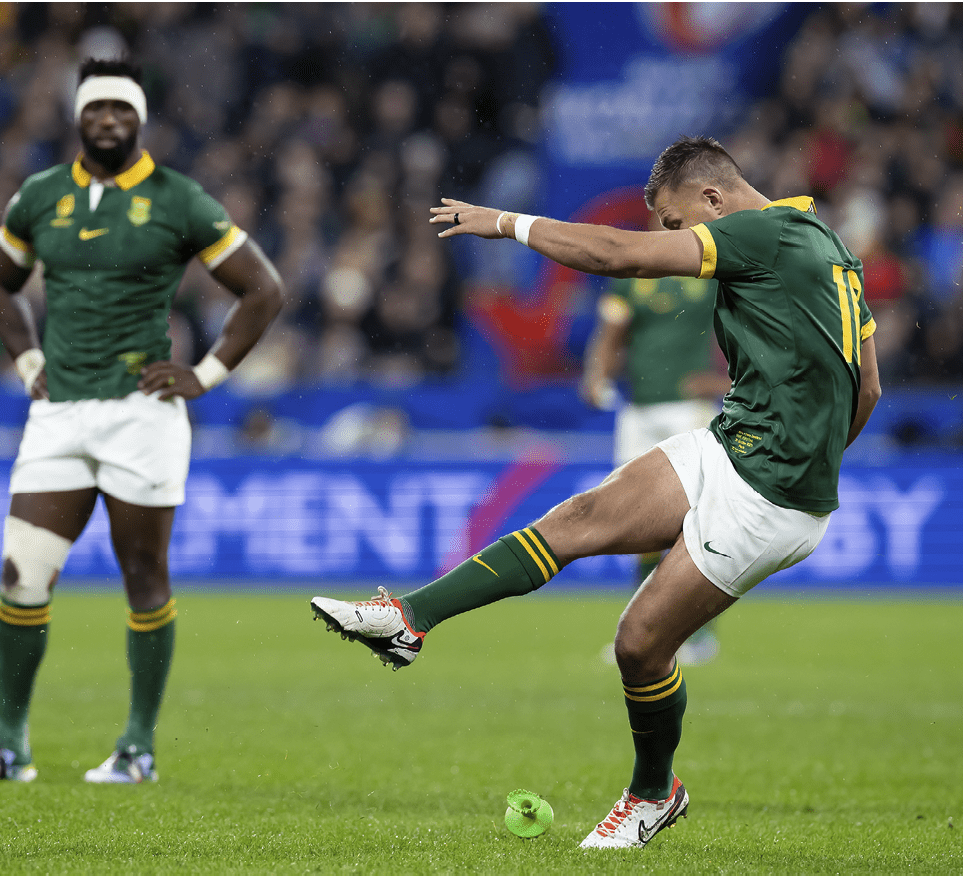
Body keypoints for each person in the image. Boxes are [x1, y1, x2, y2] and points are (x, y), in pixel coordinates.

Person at [311, 136, 880, 848]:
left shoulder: (760, 234)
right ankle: (405, 618)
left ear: (710, 199)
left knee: (638, 645)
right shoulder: (825, 244)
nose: (678, 239)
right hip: (732, 444)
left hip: (769, 495)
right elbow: (870, 386)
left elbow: (617, 257)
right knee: (576, 517)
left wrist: (509, 224)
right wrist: (811, 444)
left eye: (676, 224)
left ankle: (652, 793)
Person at [0, 58, 283, 784]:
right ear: (78, 118)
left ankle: (137, 746)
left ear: (141, 120)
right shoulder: (40, 196)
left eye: (121, 110)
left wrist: (207, 374)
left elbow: (262, 289)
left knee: (144, 577)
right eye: (96, 108)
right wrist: (26, 359)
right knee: (21, 575)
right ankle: (8, 745)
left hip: (142, 415)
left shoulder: (178, 200)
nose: (108, 121)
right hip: (58, 412)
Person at [580, 230, 731, 665]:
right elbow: (611, 332)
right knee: (635, 523)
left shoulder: (709, 265)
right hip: (638, 409)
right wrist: (596, 375)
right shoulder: (630, 271)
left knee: (693, 522)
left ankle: (700, 635)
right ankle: (641, 635)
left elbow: (744, 328)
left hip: (688, 406)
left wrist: (724, 383)